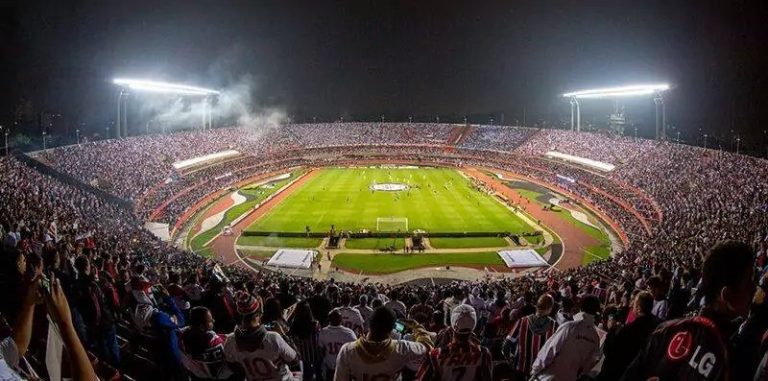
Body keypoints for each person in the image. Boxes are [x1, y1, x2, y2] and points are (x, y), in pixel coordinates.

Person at [621, 241, 757, 381]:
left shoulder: (666, 329)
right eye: (749, 282)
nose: (754, 288)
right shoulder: (732, 362)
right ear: (727, 295)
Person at [334, 307, 431, 381]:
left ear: (369, 323)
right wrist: (417, 326)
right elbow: (426, 345)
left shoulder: (347, 351)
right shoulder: (402, 348)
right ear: (392, 329)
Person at [224, 291, 300, 381]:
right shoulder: (273, 338)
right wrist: (283, 335)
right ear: (258, 314)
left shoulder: (230, 341)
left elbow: (233, 367)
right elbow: (295, 360)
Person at [529, 295, 602, 381]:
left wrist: (535, 370)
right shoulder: (595, 338)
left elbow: (550, 351)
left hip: (548, 377)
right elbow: (589, 364)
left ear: (580, 307)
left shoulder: (569, 327)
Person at [416, 304, 492, 380]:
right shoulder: (483, 354)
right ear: (474, 325)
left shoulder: (435, 355)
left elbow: (420, 378)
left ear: (453, 325)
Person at [598, 291, 658, 381]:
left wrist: (612, 330)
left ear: (638, 308)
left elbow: (609, 352)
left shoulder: (631, 329)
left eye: (634, 304)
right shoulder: (656, 325)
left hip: (618, 373)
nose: (632, 306)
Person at [504, 294, 558, 380]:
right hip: (541, 373)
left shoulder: (522, 321)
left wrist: (510, 360)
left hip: (520, 369)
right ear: (550, 309)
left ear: (536, 305)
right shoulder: (554, 326)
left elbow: (506, 345)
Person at [179, 306, 233, 380]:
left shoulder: (181, 337)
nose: (213, 320)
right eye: (210, 321)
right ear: (201, 327)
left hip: (197, 375)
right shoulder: (214, 342)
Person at [318, 311, 357, 380]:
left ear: (329, 320)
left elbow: (321, 349)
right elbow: (354, 350)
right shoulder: (349, 332)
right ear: (341, 319)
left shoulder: (323, 332)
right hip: (344, 366)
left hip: (330, 365)